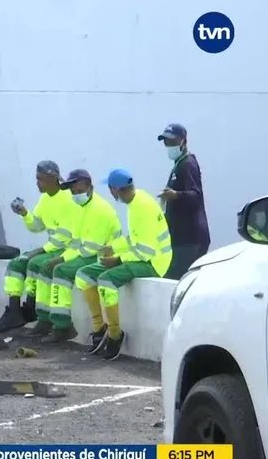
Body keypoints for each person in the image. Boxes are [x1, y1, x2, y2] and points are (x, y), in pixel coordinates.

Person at [74, 169, 172, 361]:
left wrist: (117, 260)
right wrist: (113, 248)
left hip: (154, 263)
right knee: (84, 276)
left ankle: (115, 334)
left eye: (110, 190)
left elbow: (145, 252)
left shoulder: (141, 207)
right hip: (142, 257)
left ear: (114, 190)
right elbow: (134, 239)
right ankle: (98, 329)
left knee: (106, 280)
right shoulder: (136, 201)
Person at [0, 161, 80, 335]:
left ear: (54, 178)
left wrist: (41, 250)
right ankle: (14, 310)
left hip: (67, 249)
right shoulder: (45, 198)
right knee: (17, 263)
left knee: (36, 263)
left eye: (41, 179)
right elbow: (37, 226)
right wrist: (25, 213)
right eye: (37, 179)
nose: (38, 183)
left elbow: (65, 237)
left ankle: (36, 313)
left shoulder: (68, 199)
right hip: (53, 247)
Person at [42, 169, 122, 343]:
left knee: (61, 270)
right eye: (73, 192)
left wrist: (62, 258)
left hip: (104, 256)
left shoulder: (100, 210)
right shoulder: (81, 208)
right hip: (90, 253)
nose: (75, 195)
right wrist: (63, 256)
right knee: (53, 268)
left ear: (91, 188)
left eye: (79, 191)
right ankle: (57, 324)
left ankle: (65, 326)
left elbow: (91, 249)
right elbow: (77, 244)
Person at [157, 123, 210, 280]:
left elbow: (196, 195)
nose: (169, 146)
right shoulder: (179, 165)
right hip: (180, 239)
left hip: (190, 240)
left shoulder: (187, 165)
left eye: (172, 142)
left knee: (175, 281)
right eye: (166, 142)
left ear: (183, 142)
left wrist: (176, 195)